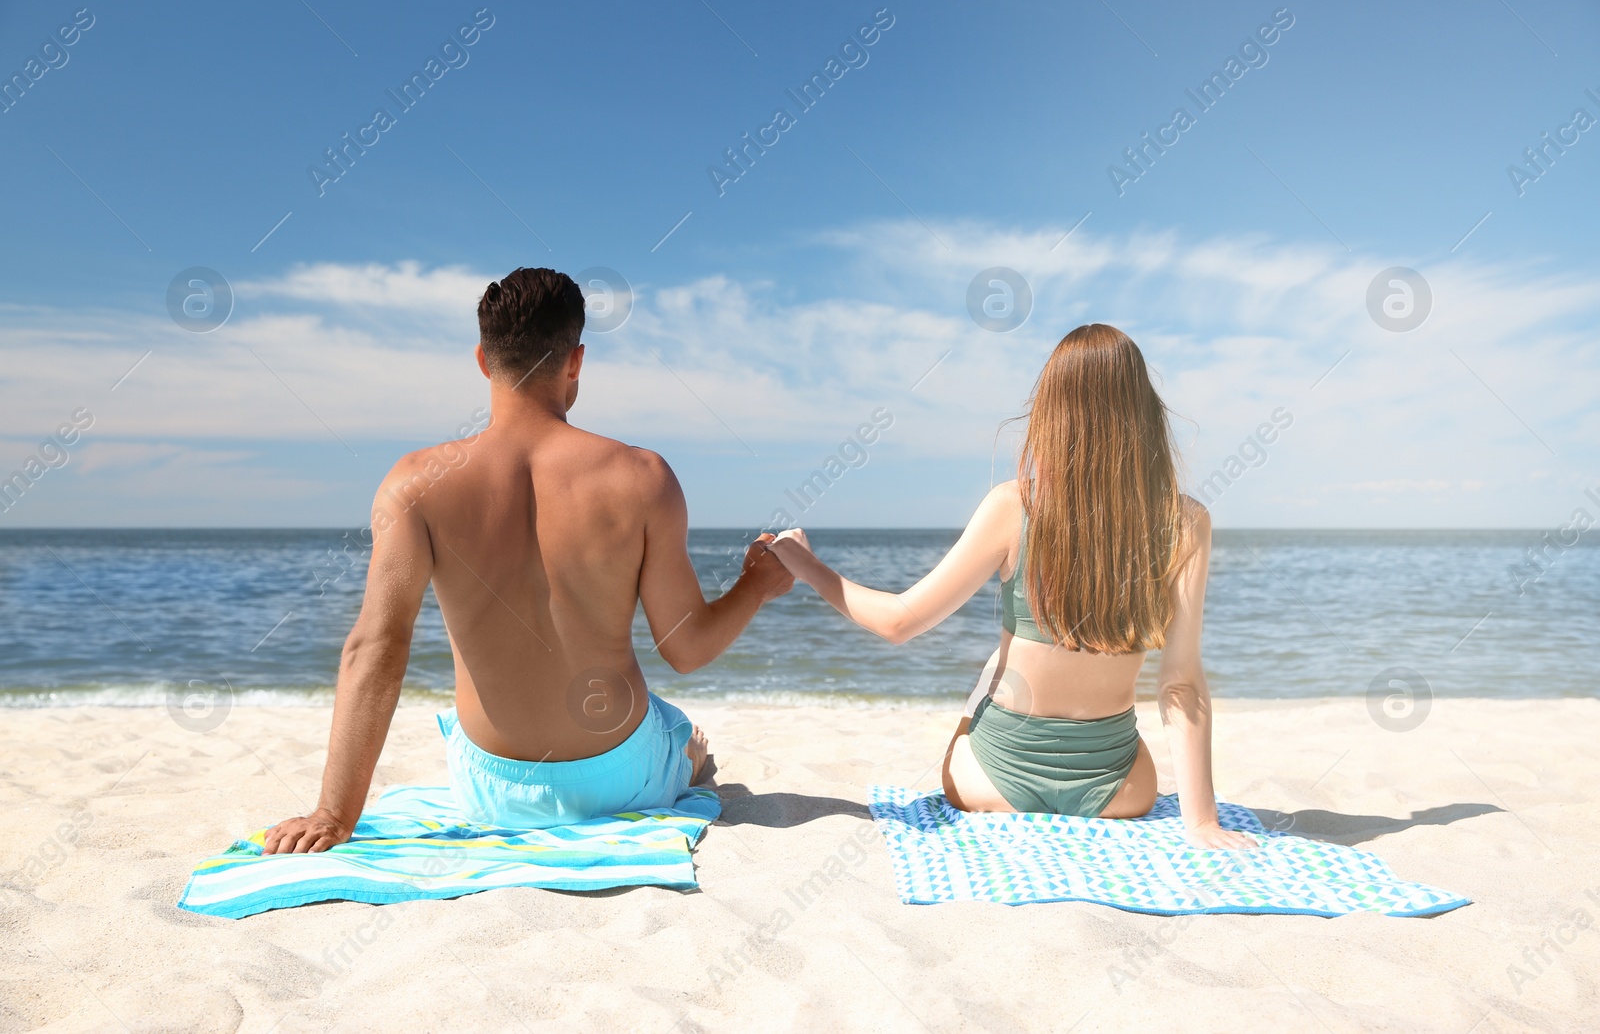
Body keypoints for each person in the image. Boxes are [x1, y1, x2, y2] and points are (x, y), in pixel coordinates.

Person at [264, 268, 793, 854]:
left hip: (489, 787)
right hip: (619, 777)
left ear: (484, 361)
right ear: (576, 360)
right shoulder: (642, 478)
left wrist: (335, 814)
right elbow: (686, 647)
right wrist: (756, 585)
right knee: (679, 733)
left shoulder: (415, 484)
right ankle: (688, 756)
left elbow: (377, 647)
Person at [765, 323, 1256, 849]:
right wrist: (1201, 822)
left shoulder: (1014, 505)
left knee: (989, 678)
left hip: (991, 784)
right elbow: (1180, 683)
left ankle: (984, 692)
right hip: (1120, 792)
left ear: (1052, 413)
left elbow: (900, 622)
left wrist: (804, 562)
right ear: (1145, 412)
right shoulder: (1184, 522)